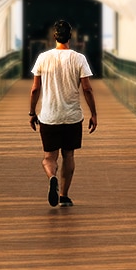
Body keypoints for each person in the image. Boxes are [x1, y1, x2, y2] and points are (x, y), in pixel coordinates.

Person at [28, 19, 97, 207]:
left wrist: (32, 112)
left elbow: (35, 89)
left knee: (49, 157)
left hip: (49, 116)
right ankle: (64, 196)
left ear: (54, 36)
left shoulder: (43, 57)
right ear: (70, 36)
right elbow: (87, 89)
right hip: (72, 116)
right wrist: (94, 114)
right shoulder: (78, 58)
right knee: (69, 155)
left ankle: (52, 176)